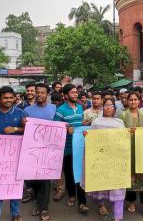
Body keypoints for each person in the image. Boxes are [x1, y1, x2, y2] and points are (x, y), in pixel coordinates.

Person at [0, 86, 24, 221]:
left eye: (11, 97)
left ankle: (15, 213)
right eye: (5, 98)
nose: (8, 100)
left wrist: (15, 128)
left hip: (17, 158)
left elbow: (28, 130)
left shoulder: (20, 113)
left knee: (15, 187)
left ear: (14, 98)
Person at [85, 98, 127, 221]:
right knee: (101, 184)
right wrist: (87, 136)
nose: (108, 107)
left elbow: (124, 140)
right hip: (101, 160)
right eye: (106, 105)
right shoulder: (96, 122)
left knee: (118, 187)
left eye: (111, 105)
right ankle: (101, 205)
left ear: (115, 108)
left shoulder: (119, 122)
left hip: (117, 160)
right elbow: (91, 139)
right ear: (103, 107)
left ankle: (118, 217)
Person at [24, 83, 57, 221]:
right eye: (37, 92)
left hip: (49, 151)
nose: (39, 95)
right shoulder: (27, 111)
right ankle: (37, 203)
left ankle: (43, 208)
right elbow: (24, 130)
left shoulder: (53, 108)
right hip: (32, 151)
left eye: (42, 92)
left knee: (45, 181)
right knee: (35, 180)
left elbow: (58, 127)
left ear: (47, 94)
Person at [119, 92, 143, 219]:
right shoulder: (122, 115)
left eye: (135, 99)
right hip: (128, 151)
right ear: (127, 101)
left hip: (142, 150)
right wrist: (128, 132)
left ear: (139, 101)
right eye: (131, 100)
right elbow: (118, 133)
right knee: (130, 177)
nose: (133, 102)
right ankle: (131, 202)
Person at [54, 84, 89, 213]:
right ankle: (71, 195)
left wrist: (84, 126)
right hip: (67, 147)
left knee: (80, 173)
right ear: (66, 95)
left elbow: (82, 124)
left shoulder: (81, 108)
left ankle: (82, 201)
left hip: (80, 146)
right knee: (69, 174)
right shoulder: (60, 110)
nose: (76, 94)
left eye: (76, 92)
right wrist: (65, 129)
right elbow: (56, 128)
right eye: (73, 92)